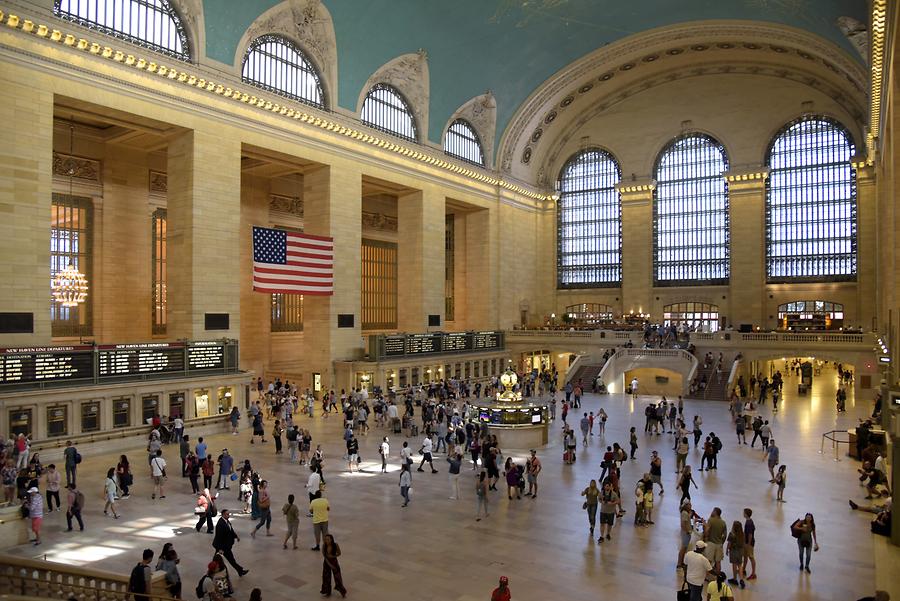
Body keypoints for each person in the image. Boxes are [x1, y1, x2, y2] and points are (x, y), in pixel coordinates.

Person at [213, 509, 249, 577]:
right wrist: (220, 548)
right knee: (230, 560)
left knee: (217, 560)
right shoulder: (220, 524)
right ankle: (240, 571)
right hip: (223, 547)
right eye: (227, 514)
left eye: (228, 514)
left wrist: (236, 536)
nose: (228, 515)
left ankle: (240, 571)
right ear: (223, 515)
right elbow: (219, 537)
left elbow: (230, 530)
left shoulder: (226, 521)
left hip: (225, 546)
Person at [320, 534, 347, 598]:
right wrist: (330, 564)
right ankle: (327, 591)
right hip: (326, 562)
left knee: (338, 577)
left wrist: (333, 556)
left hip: (334, 562)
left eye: (328, 539)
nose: (326, 541)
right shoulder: (324, 546)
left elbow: (339, 553)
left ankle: (342, 591)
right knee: (326, 577)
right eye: (325, 539)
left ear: (331, 539)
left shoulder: (335, 545)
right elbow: (324, 556)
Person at [704, 507, 727, 574]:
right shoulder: (723, 522)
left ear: (715, 512)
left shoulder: (711, 520)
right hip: (719, 544)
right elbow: (725, 535)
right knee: (718, 562)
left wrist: (705, 537)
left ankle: (706, 576)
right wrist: (722, 543)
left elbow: (707, 531)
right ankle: (718, 577)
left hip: (711, 543)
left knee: (708, 561)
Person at [726, 520, 745, 588]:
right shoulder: (742, 534)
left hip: (733, 551)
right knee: (740, 565)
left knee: (734, 565)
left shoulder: (731, 534)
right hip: (740, 551)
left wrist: (727, 550)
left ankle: (734, 579)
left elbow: (729, 543)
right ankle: (741, 579)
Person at [742, 508, 757, 580]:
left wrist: (748, 544)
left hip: (749, 543)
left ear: (746, 514)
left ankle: (753, 573)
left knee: (751, 557)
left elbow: (750, 534)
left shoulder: (749, 523)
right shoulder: (748, 521)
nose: (743, 514)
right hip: (746, 542)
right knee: (745, 556)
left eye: (744, 513)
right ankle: (743, 569)